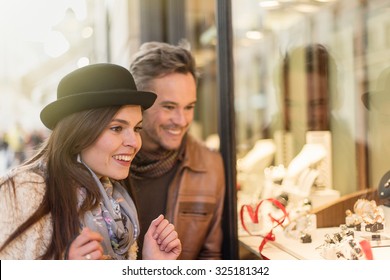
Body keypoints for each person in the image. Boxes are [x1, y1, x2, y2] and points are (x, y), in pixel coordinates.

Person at [0, 63, 181, 260]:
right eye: (117, 128)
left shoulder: (115, 199)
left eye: (137, 128)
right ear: (79, 133)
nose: (134, 142)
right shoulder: (20, 193)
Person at [128, 41, 226, 259]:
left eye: (189, 107)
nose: (182, 121)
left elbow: (211, 256)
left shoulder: (210, 165)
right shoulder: (108, 163)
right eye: (169, 107)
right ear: (139, 103)